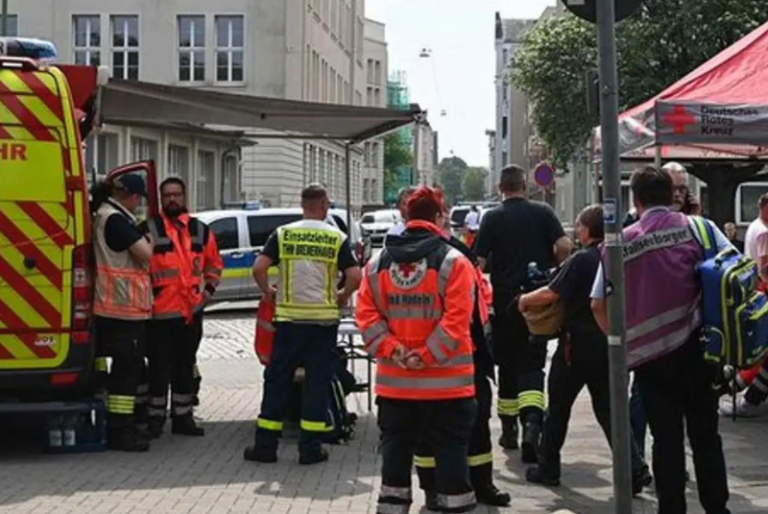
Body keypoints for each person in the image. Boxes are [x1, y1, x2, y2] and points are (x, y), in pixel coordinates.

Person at [591, 166, 732, 514]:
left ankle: (672, 508)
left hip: (650, 360)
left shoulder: (618, 244)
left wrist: (620, 343)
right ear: (672, 196)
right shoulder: (700, 229)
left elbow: (597, 303)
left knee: (665, 440)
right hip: (699, 350)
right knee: (705, 436)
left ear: (635, 201)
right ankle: (717, 507)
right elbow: (734, 269)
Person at [357, 186, 478, 514]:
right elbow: (457, 322)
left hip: (396, 386)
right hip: (448, 387)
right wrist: (424, 356)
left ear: (405, 217)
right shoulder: (454, 262)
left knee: (394, 463)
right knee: (452, 459)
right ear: (439, 218)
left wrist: (395, 351)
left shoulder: (377, 263)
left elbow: (365, 316)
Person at [519, 205, 651, 494]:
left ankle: (548, 467)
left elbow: (552, 292)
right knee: (609, 412)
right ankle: (635, 469)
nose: (577, 231)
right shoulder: (617, 256)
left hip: (575, 348)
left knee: (558, 409)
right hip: (609, 345)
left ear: (588, 229)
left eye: (579, 226)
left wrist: (524, 300)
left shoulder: (582, 259)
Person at [244, 184, 361, 465]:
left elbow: (259, 267)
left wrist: (267, 292)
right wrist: (343, 294)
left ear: (302, 205)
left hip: (288, 322)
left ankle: (265, 447)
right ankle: (310, 449)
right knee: (316, 385)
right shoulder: (336, 237)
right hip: (322, 324)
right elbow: (355, 274)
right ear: (322, 205)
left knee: (277, 382)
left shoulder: (284, 234)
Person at [474, 164, 572, 462]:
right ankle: (533, 425)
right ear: (525, 185)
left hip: (505, 303)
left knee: (506, 366)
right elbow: (565, 245)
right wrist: (555, 270)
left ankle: (508, 431)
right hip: (537, 301)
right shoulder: (542, 212)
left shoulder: (492, 217)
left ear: (501, 188)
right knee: (532, 365)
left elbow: (477, 262)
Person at [413, 230, 511, 508]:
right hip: (447, 358)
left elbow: (478, 300)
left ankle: (479, 485)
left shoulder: (451, 254)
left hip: (464, 356)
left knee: (476, 425)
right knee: (435, 428)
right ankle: (435, 488)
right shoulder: (442, 256)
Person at [142, 178, 223, 438]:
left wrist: (207, 294)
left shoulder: (200, 230)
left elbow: (214, 265)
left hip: (191, 313)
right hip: (159, 313)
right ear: (161, 198)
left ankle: (183, 417)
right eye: (167, 195)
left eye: (177, 194)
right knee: (158, 368)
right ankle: (155, 419)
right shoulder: (149, 229)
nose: (172, 199)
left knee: (185, 366)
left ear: (185, 196)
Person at [91, 173, 154, 452]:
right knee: (125, 373)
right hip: (122, 307)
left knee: (122, 370)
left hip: (113, 306)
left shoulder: (106, 214)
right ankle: (121, 432)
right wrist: (149, 236)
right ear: (133, 196)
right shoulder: (115, 219)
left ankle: (120, 427)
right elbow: (146, 254)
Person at [720, 195, 768, 417]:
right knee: (759, 354)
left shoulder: (755, 228)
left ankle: (727, 385)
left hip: (757, 293)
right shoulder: (763, 231)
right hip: (762, 291)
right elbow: (765, 266)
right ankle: (732, 388)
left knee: (757, 352)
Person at [622, 161, 701, 226]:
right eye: (672, 188)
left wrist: (695, 218)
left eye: (682, 189)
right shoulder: (637, 214)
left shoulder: (692, 211)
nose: (677, 194)